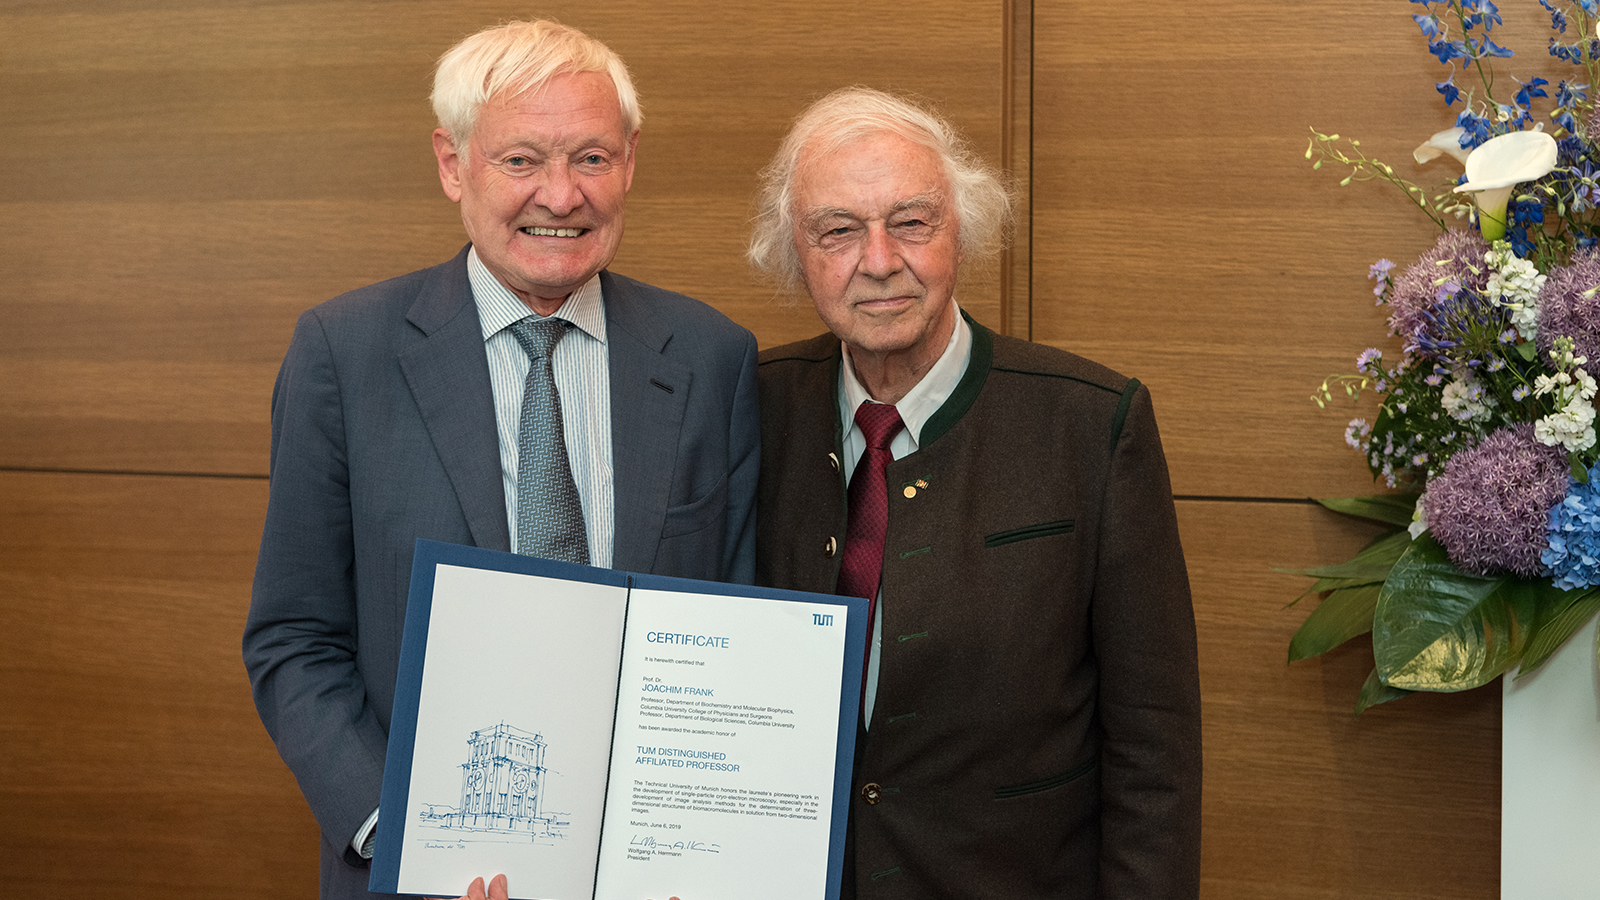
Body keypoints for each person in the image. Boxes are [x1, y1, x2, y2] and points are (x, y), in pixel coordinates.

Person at [242, 21, 759, 899]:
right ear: (453, 164)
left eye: (591, 158)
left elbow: (737, 625)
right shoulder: (344, 352)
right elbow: (294, 638)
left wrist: (696, 845)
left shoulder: (711, 357)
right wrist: (401, 836)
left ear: (630, 161)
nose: (560, 196)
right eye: (521, 160)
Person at [748, 87, 1202, 898]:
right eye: (838, 231)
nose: (879, 260)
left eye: (912, 221)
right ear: (797, 253)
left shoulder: (1090, 424)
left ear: (964, 228)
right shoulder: (751, 407)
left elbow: (1153, 751)